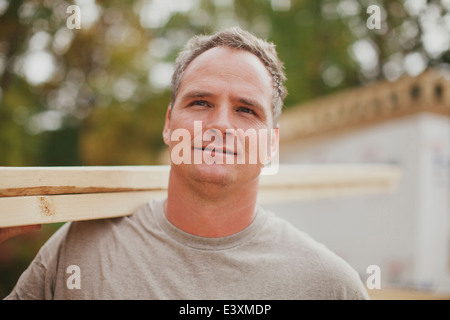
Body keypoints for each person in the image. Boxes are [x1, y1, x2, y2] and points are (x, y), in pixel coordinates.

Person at [2, 27, 369, 300]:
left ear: (271, 143)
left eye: (246, 110)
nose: (219, 125)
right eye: (200, 103)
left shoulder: (330, 286)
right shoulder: (80, 248)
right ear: (168, 124)